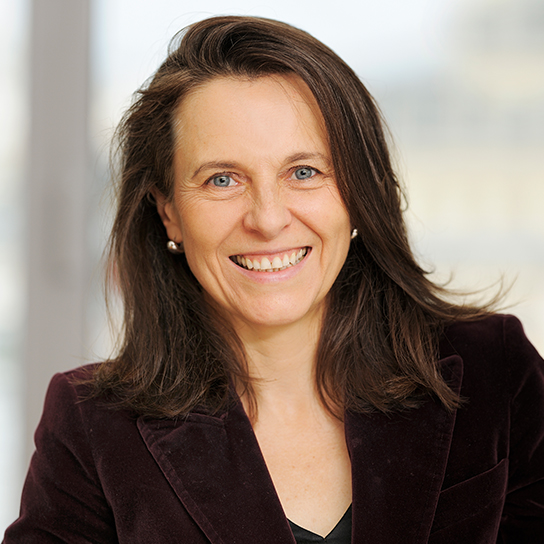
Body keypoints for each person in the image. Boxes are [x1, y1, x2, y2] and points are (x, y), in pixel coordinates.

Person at [4, 15, 544, 544]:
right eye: (222, 179)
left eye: (303, 172)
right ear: (168, 213)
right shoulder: (92, 426)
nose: (267, 219)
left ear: (358, 192)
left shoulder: (495, 370)